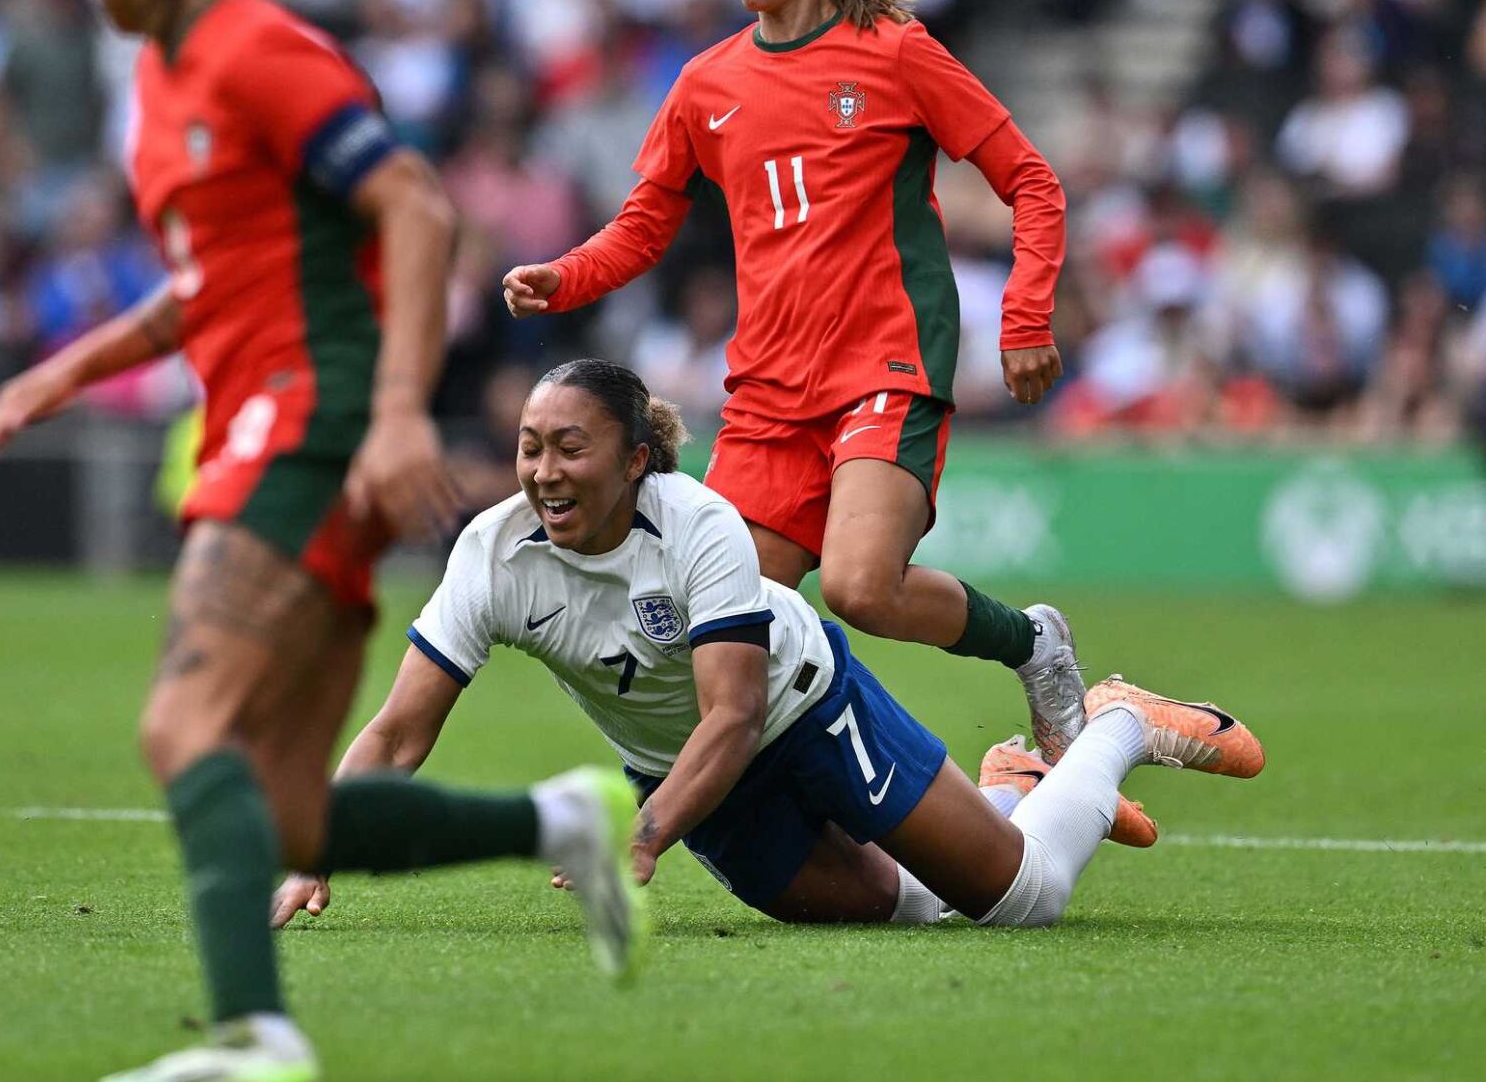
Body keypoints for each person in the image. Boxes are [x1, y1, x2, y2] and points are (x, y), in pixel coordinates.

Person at [0, 0, 645, 1081]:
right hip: (263, 427)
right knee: (288, 808)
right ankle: (564, 819)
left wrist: (396, 413)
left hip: (308, 428)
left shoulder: (255, 52)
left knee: (186, 724)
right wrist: (54, 374)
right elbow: (202, 287)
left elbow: (417, 208)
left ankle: (254, 1037)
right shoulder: (165, 84)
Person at [276, 362, 1260, 930]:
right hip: (694, 775)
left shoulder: (697, 526)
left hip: (805, 709)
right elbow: (401, 733)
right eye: (531, 446)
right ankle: (1010, 779)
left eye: (569, 447)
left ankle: (1120, 721)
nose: (542, 471)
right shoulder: (491, 556)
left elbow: (736, 711)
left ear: (634, 459)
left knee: (1020, 899)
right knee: (906, 911)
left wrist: (646, 830)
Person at [502, 0, 1085, 763]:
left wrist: (1024, 318)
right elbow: (643, 226)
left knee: (859, 586)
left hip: (885, 363)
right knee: (713, 644)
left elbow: (1033, 182)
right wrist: (564, 276)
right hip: (769, 393)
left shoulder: (896, 52)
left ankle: (1034, 642)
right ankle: (722, 813)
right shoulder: (705, 84)